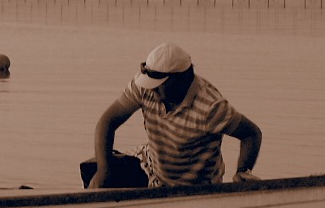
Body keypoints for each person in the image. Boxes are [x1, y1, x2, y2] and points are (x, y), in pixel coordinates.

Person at [90, 42, 261, 188]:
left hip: (196, 186)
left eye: (159, 85)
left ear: (180, 79)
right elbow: (107, 122)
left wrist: (243, 171)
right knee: (91, 167)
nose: (153, 90)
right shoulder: (144, 86)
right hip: (150, 168)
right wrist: (104, 170)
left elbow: (251, 134)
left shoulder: (211, 107)